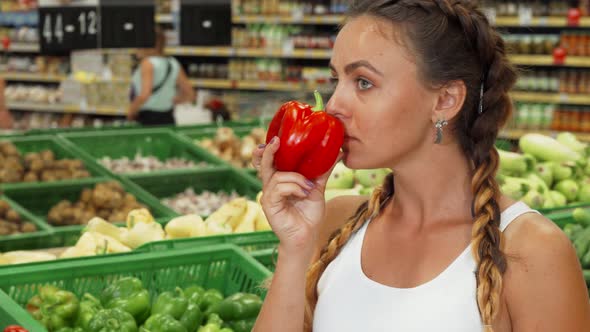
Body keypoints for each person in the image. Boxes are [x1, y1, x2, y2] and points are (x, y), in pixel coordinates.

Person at [251, 1, 590, 331]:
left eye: (364, 82)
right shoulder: (335, 222)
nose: (335, 105)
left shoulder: (532, 252)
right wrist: (294, 250)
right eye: (336, 80)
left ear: (445, 100)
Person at [128, 26, 195, 126]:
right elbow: (190, 94)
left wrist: (131, 110)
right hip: (168, 117)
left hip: (148, 119)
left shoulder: (148, 63)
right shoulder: (173, 63)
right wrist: (174, 100)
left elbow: (144, 94)